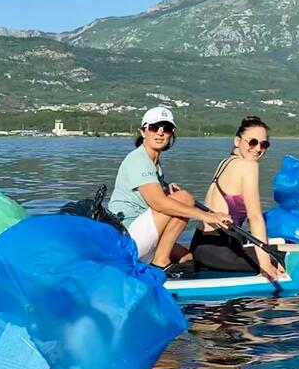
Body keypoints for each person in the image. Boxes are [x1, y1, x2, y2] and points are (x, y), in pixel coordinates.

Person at [108, 106, 231, 276]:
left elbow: (152, 194)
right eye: (154, 127)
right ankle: (160, 263)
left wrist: (166, 189)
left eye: (166, 128)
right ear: (143, 132)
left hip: (138, 236)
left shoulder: (153, 164)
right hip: (127, 239)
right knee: (185, 198)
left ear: (171, 134)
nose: (160, 133)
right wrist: (209, 216)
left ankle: (158, 262)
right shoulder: (138, 160)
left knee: (187, 257)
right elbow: (159, 203)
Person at [190, 116, 283, 281]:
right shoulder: (249, 166)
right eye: (252, 142)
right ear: (237, 141)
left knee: (287, 245)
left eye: (264, 144)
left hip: (200, 245)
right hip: (220, 252)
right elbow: (254, 217)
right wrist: (266, 264)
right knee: (289, 258)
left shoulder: (225, 162)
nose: (258, 148)